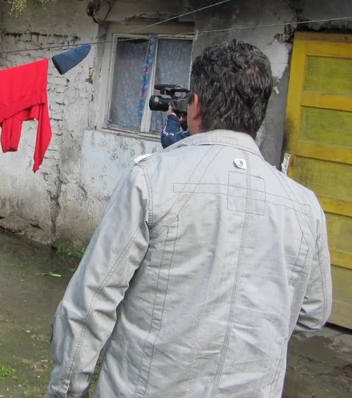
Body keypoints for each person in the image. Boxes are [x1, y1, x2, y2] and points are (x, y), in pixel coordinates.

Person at [48, 40, 332, 397]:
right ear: (259, 113)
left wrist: (67, 390)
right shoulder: (305, 206)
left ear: (194, 107)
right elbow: (311, 313)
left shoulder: (151, 180)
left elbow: (90, 305)